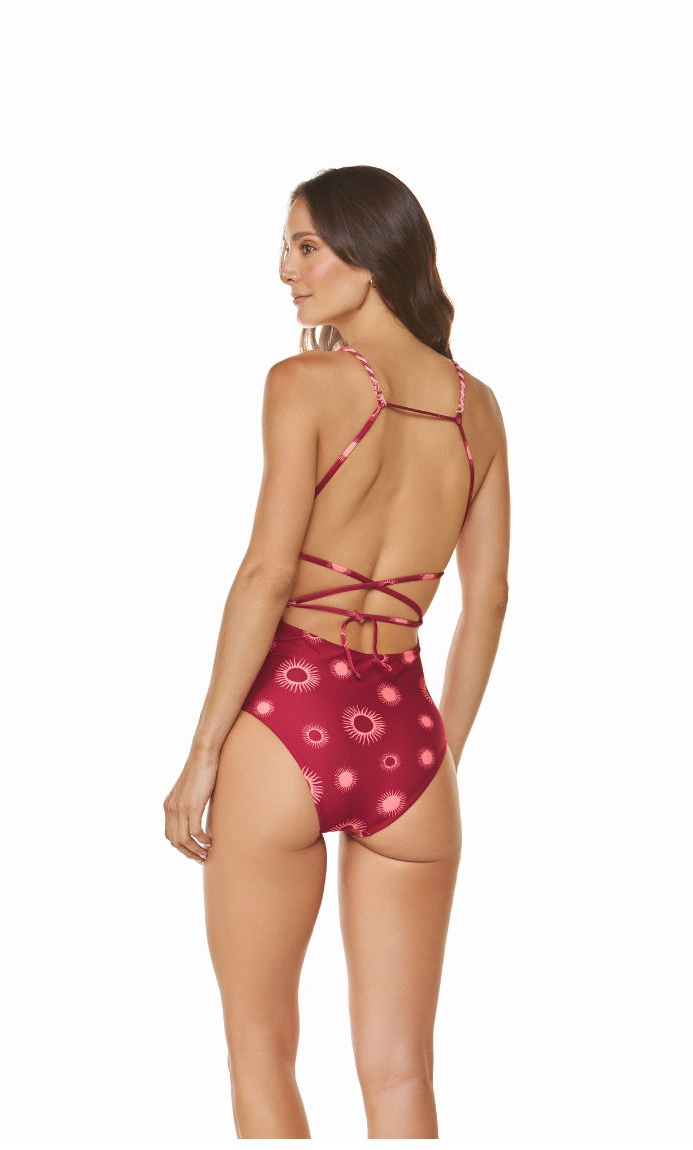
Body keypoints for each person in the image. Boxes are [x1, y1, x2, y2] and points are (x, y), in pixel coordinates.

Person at [163, 164, 510, 1138]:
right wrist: (441, 754)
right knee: (402, 1076)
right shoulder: (478, 408)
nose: (286, 270)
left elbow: (266, 575)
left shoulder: (305, 384)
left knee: (259, 1045)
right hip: (410, 741)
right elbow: (487, 599)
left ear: (372, 252)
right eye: (286, 248)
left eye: (307, 246)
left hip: (289, 718)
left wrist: (201, 755)